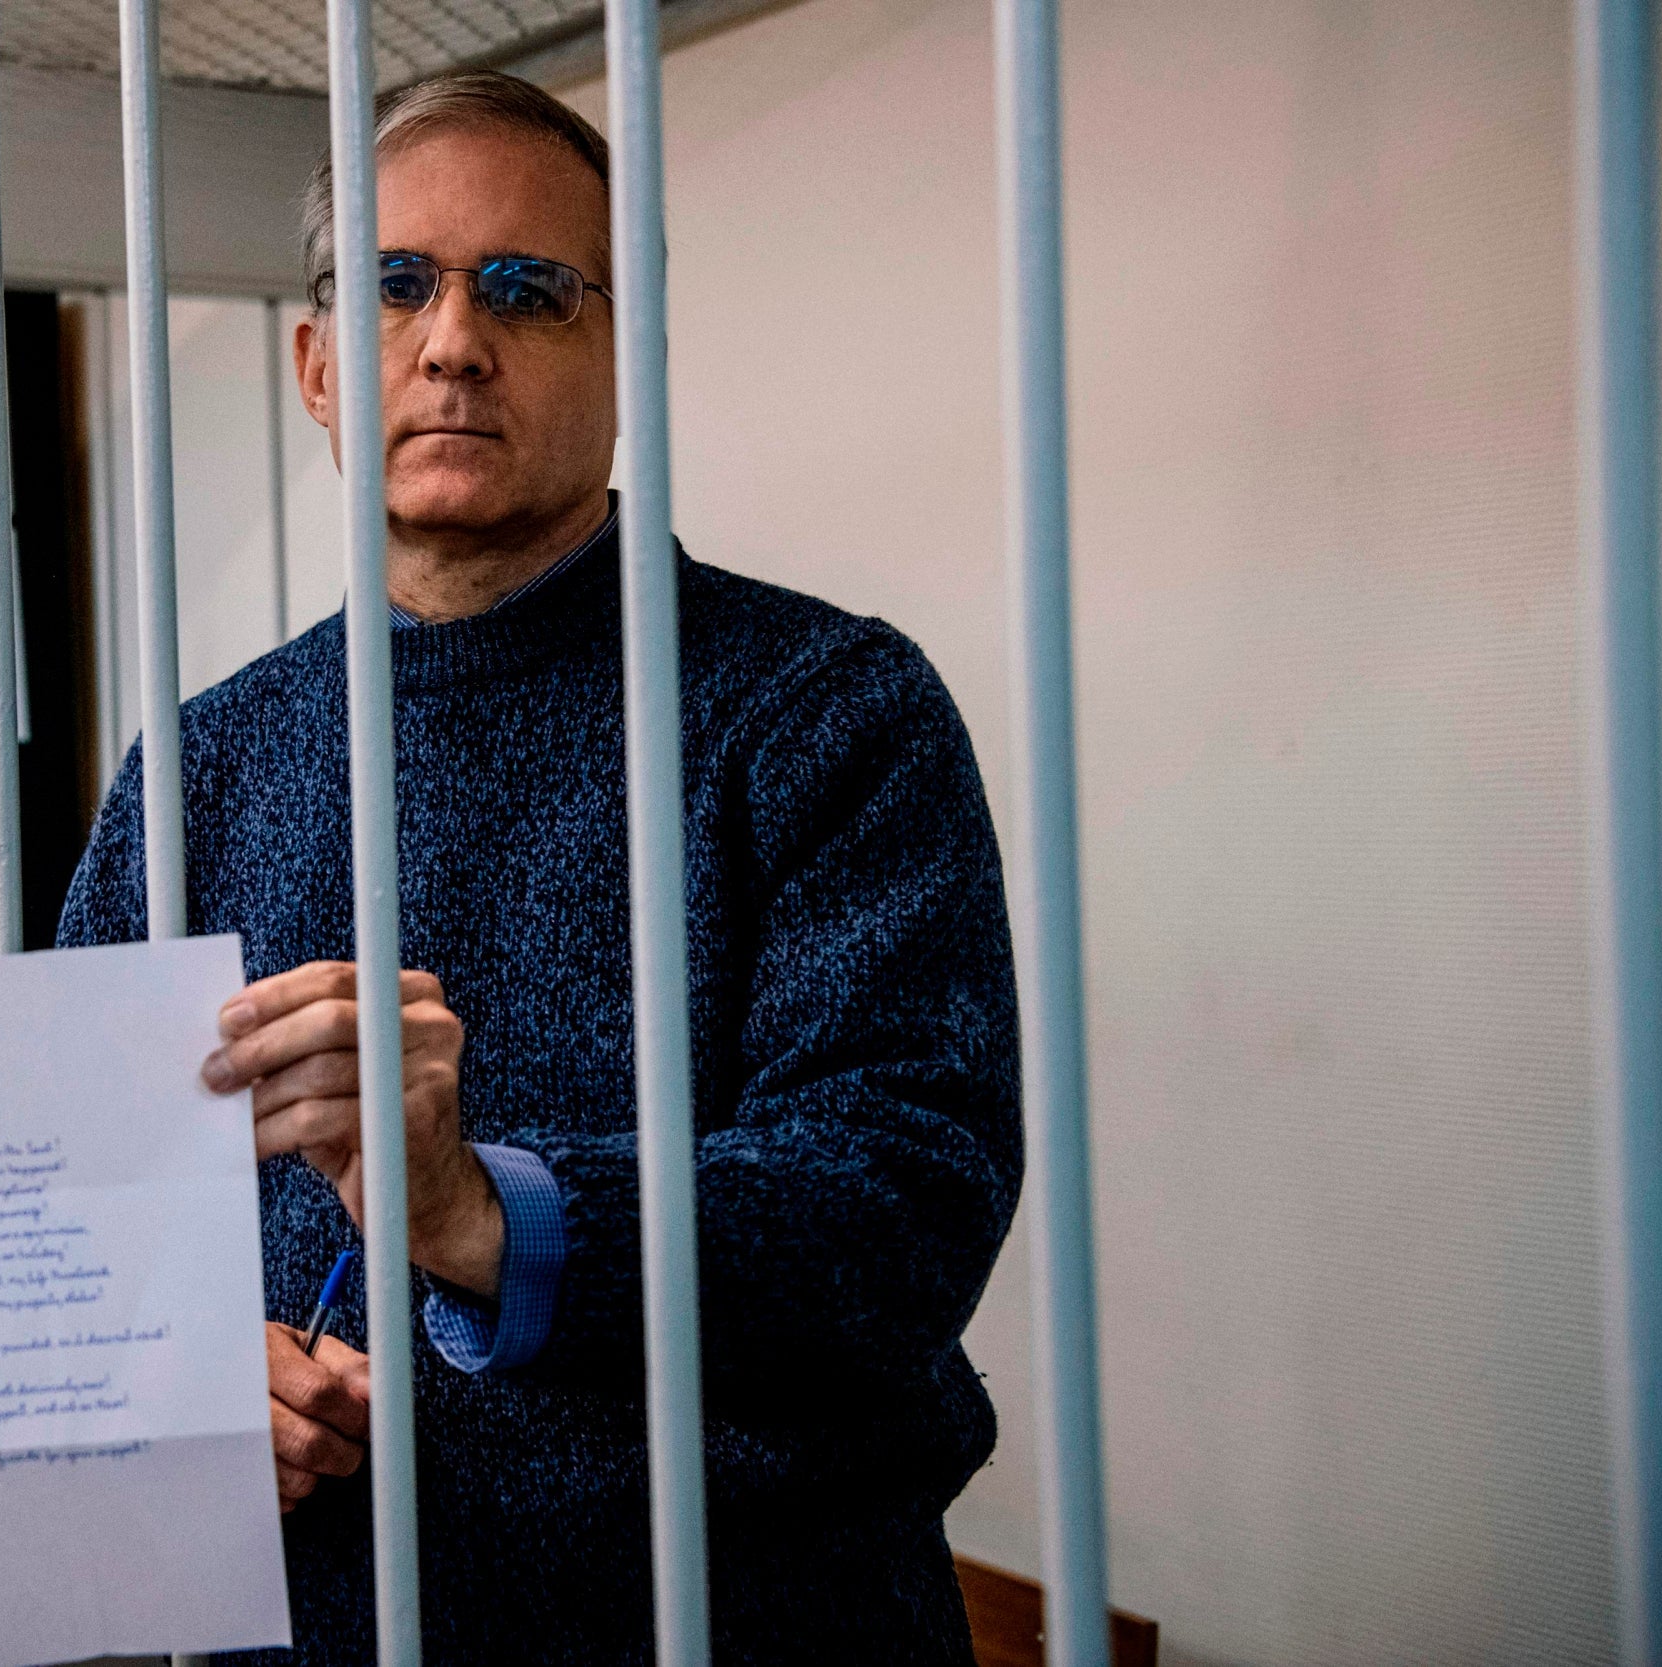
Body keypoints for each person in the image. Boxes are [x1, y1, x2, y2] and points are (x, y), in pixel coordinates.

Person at [56, 69, 1021, 1665]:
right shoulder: (200, 766)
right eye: (394, 283)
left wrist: (478, 1212)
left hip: (749, 1623)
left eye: (525, 287)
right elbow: (84, 1219)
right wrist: (192, 1380)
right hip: (309, 1627)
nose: (451, 340)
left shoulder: (826, 710)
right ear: (315, 367)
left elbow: (909, 1204)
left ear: (623, 357)